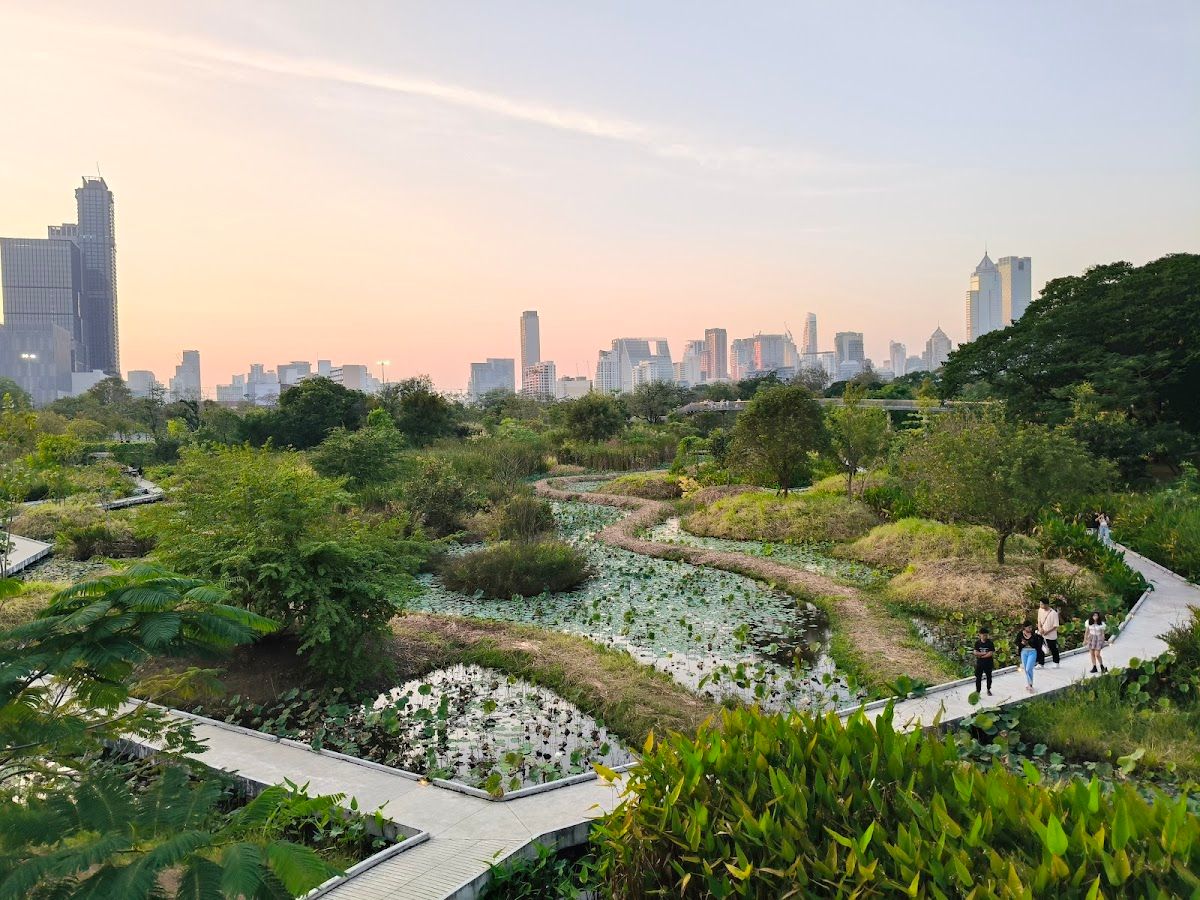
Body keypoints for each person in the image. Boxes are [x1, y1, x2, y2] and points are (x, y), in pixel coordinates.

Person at [1014, 623, 1046, 694]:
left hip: (1032, 652)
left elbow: (1039, 641)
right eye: (1028, 627)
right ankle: (1029, 684)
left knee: (1029, 668)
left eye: (1031, 627)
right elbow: (1016, 642)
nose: (1030, 629)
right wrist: (1022, 643)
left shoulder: (1034, 635)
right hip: (1024, 652)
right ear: (1025, 628)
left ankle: (1030, 685)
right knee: (1026, 669)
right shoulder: (1020, 634)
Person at [1037, 598, 1061, 667]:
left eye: (1042, 604)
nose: (1040, 605)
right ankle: (1040, 663)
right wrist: (1040, 628)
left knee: (1053, 648)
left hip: (1051, 635)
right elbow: (1039, 621)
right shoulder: (1040, 610)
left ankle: (1056, 662)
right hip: (1041, 634)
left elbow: (1055, 626)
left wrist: (1047, 632)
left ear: (1046, 604)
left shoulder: (1053, 613)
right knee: (1039, 648)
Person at [972, 626, 996, 696]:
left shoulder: (990, 643)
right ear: (980, 635)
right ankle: (978, 691)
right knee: (978, 677)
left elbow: (990, 653)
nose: (985, 636)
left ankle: (988, 689)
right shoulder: (977, 643)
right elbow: (975, 652)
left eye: (986, 635)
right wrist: (984, 653)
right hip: (980, 663)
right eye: (983, 635)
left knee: (989, 676)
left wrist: (981, 656)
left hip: (988, 663)